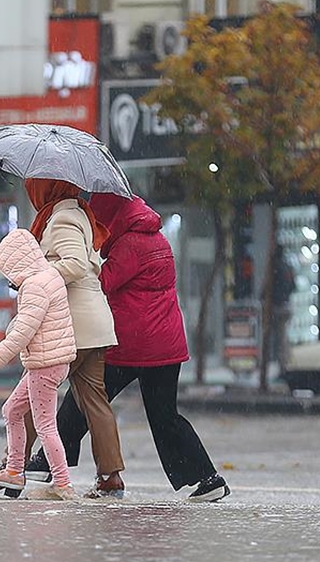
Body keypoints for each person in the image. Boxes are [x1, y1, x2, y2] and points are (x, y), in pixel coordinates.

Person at [24, 194, 230, 502]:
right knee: (165, 416)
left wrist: (80, 261)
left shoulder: (130, 245)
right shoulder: (156, 239)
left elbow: (101, 283)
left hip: (133, 344)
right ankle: (207, 478)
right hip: (166, 346)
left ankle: (46, 464)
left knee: (84, 397)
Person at [20, 178, 125, 498]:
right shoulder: (80, 213)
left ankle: (12, 466)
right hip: (95, 324)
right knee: (95, 401)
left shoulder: (62, 217)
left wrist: (37, 279)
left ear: (47, 187)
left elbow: (76, 265)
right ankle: (111, 477)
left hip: (71, 325)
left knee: (29, 395)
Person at [0, 229, 78, 501]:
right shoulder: (49, 275)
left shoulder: (34, 286)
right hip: (52, 361)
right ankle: (14, 472)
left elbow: (24, 332)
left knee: (45, 426)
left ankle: (63, 484)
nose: (8, 278)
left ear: (16, 265)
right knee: (11, 410)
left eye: (7, 271)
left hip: (44, 364)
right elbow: (30, 322)